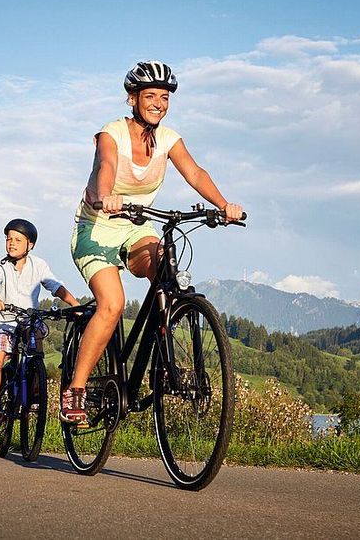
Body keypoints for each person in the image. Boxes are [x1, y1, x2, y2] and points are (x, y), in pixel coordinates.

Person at [62, 61, 245, 425]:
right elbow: (107, 168)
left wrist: (223, 205)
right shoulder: (111, 134)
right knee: (112, 305)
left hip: (135, 228)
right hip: (96, 228)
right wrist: (104, 196)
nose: (159, 103)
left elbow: (194, 172)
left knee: (168, 270)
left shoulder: (168, 139)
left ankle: (163, 360)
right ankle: (76, 390)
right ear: (133, 99)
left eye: (165, 97)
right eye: (151, 96)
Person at [0, 219, 79, 439]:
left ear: (30, 244)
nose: (11, 243)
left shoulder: (39, 266)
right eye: (9, 239)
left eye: (17, 240)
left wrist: (74, 305)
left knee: (35, 352)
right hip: (5, 321)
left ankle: (35, 386)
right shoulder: (0, 265)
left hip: (29, 320)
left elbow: (55, 286)